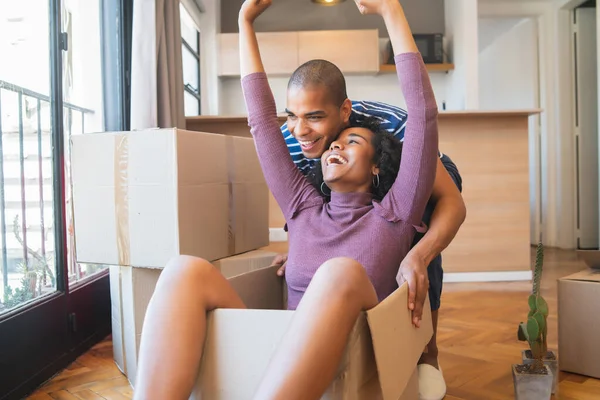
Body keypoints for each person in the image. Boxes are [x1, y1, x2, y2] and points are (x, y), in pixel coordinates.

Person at [133, 0, 440, 398]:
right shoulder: (302, 205)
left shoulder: (395, 214)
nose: (334, 147)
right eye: (334, 145)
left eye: (353, 141)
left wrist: (391, 11)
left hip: (349, 355)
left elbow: (423, 113)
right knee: (183, 270)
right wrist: (245, 21)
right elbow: (261, 121)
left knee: (340, 271)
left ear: (377, 166)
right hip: (279, 352)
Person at [272, 14, 465, 400]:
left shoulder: (389, 127)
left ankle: (427, 352)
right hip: (355, 185)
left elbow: (450, 204)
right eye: (293, 116)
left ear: (343, 112)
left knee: (412, 242)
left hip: (424, 182)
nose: (301, 130)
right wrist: (303, 250)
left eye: (314, 118)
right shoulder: (294, 138)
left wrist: (420, 255)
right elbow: (306, 203)